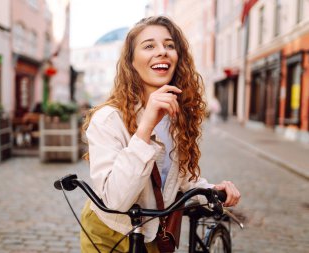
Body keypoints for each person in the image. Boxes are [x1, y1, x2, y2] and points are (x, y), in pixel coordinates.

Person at [80, 16, 241, 252]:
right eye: (149, 46)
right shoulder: (108, 119)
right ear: (131, 62)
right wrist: (145, 127)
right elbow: (115, 200)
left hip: (154, 233)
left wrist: (211, 190)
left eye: (169, 45)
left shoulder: (176, 115)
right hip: (109, 234)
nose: (162, 52)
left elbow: (179, 178)